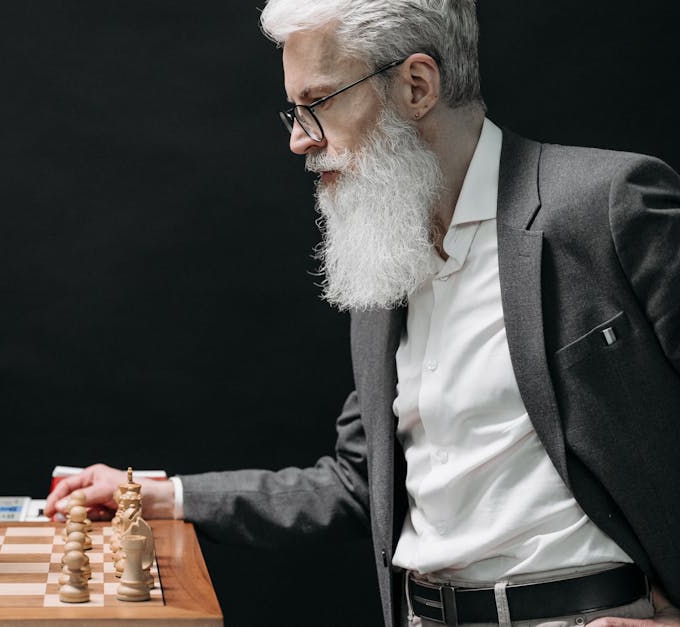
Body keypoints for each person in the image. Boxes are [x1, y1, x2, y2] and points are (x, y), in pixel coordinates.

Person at [44, 2, 680, 626]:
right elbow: (360, 481)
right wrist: (161, 496)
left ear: (416, 86)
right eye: (294, 111)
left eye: (317, 102)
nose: (298, 139)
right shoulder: (386, 257)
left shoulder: (608, 206)